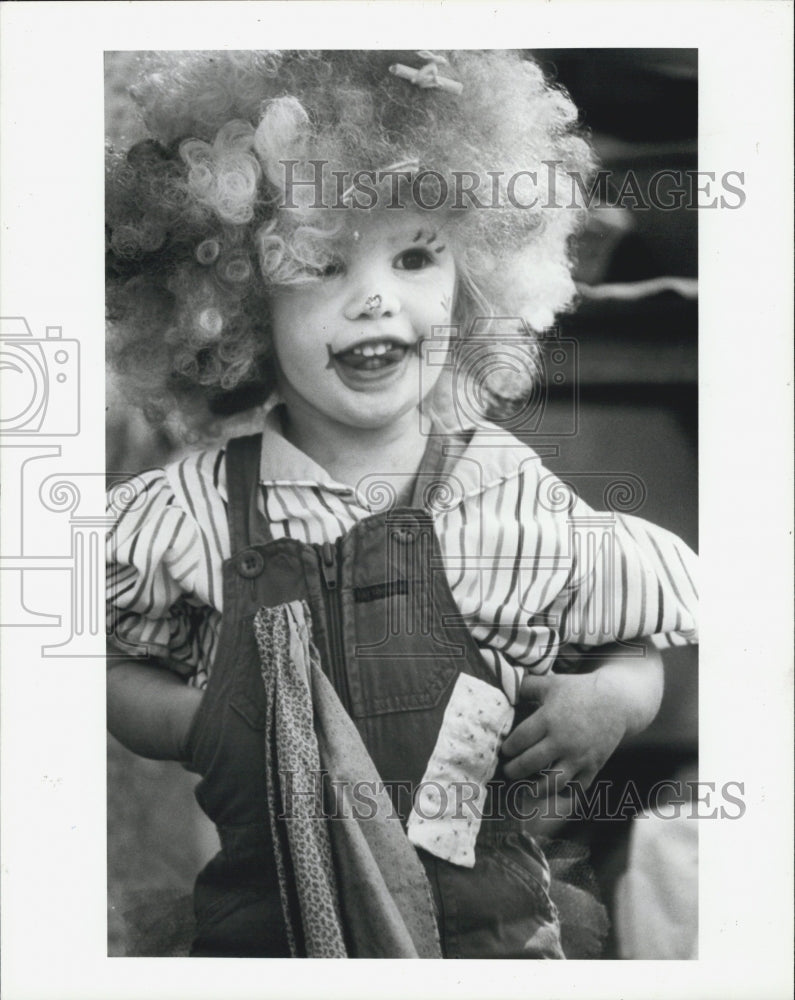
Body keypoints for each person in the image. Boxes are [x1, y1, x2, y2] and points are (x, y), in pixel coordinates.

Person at [105, 50, 697, 958]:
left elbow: (631, 637)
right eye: (321, 264)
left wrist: (608, 701)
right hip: (271, 935)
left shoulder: (508, 495)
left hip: (490, 938)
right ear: (234, 300)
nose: (376, 296)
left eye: (417, 255)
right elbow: (109, 663)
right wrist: (192, 723)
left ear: (476, 277)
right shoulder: (189, 510)